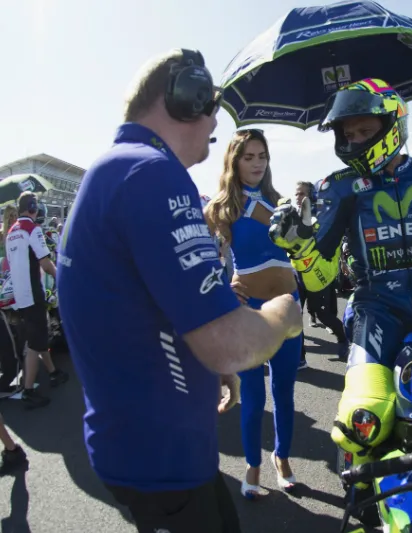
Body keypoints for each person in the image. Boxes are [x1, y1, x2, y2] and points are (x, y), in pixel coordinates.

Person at [57, 48, 302, 533]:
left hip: (149, 450)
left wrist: (208, 364)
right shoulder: (152, 173)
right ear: (186, 99)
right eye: (211, 104)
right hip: (162, 462)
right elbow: (229, 344)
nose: (216, 119)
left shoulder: (118, 168)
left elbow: (146, 303)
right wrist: (285, 314)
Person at [269, 78, 412, 494]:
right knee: (360, 420)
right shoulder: (337, 186)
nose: (353, 141)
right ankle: (364, 503)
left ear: (394, 124)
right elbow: (321, 278)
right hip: (376, 313)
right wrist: (299, 248)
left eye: (364, 131)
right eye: (347, 134)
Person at [204, 129, 303, 496]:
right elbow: (205, 261)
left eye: (262, 156)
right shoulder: (220, 208)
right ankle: (252, 466)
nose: (257, 163)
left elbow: (303, 249)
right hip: (249, 312)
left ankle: (282, 457)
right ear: (234, 161)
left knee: (284, 390)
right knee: (253, 393)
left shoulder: (281, 202)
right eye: (249, 157)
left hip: (288, 307)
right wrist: (223, 285)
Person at [6, 191, 68, 409]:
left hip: (20, 296)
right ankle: (28, 390)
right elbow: (46, 264)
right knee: (35, 343)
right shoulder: (32, 229)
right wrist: (63, 278)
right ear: (32, 207)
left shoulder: (11, 232)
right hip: (33, 294)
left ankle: (53, 372)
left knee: (38, 336)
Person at [293, 180, 348, 358]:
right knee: (295, 315)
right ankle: (300, 356)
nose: (298, 197)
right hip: (297, 274)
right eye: (296, 194)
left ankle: (343, 340)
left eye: (302, 194)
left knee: (323, 314)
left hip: (318, 274)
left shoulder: (323, 218)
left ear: (311, 196)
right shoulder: (293, 216)